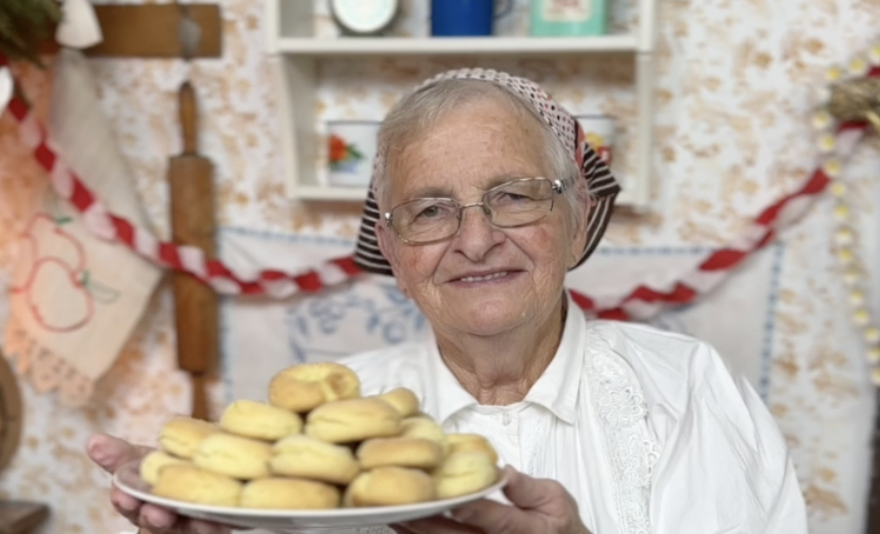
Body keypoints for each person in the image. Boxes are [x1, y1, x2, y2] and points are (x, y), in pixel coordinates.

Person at [87, 68, 808, 534]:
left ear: (576, 216)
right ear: (395, 253)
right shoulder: (317, 435)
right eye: (430, 210)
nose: (475, 238)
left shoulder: (688, 393)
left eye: (514, 195)